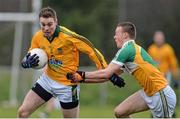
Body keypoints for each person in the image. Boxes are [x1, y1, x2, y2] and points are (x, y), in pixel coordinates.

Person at [18, 7, 125, 118]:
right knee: (22, 112)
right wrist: (25, 63)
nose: (46, 28)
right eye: (43, 25)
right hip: (47, 80)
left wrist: (107, 71)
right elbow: (30, 56)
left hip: (68, 85)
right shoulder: (38, 36)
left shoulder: (68, 36)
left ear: (56, 22)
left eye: (49, 24)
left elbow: (91, 50)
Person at [67, 22, 177, 118]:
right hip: (149, 93)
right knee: (120, 112)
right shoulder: (130, 49)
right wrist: (81, 79)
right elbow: (108, 76)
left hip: (160, 92)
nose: (114, 37)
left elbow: (106, 73)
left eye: (116, 34)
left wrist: (81, 74)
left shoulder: (127, 49)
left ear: (125, 35)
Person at [148, 30, 179, 117]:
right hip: (154, 76)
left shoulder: (168, 49)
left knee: (166, 94)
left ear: (163, 38)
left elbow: (173, 64)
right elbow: (148, 63)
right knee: (154, 95)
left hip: (165, 75)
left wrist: (176, 78)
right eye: (157, 37)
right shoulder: (151, 49)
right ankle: (154, 112)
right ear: (154, 38)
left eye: (160, 37)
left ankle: (170, 111)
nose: (158, 39)